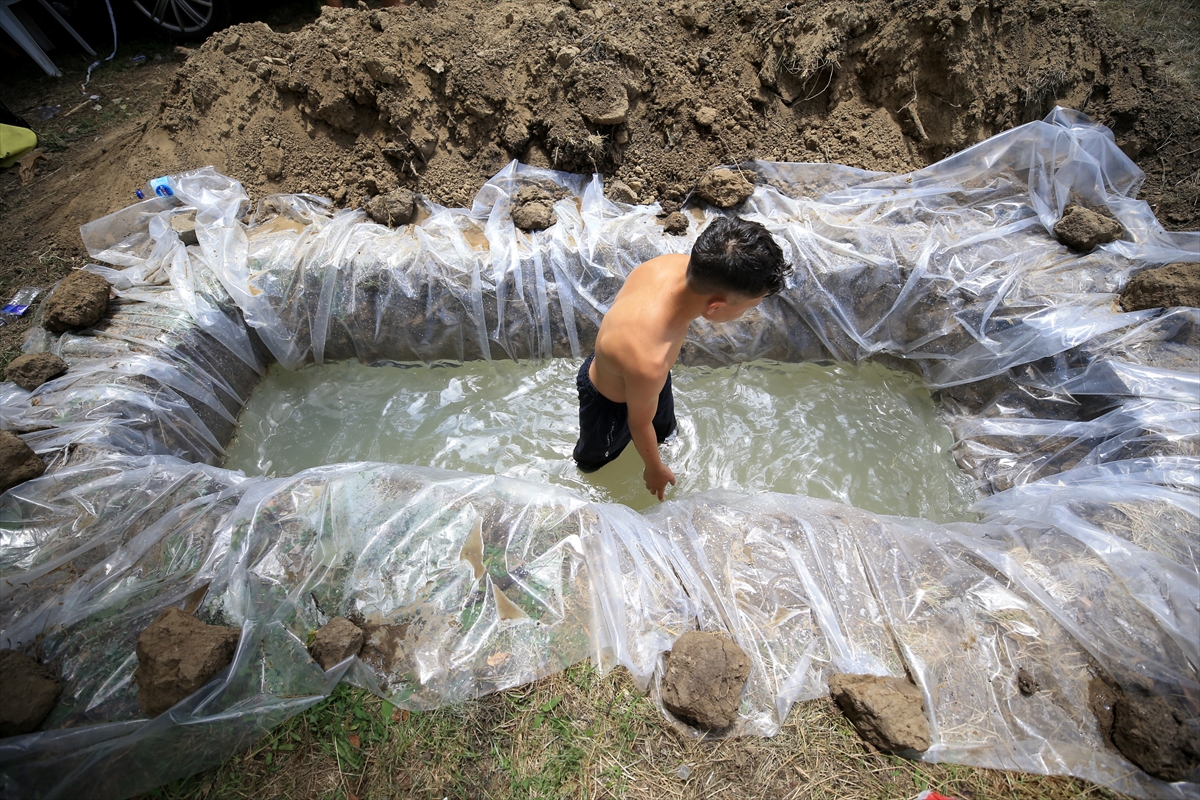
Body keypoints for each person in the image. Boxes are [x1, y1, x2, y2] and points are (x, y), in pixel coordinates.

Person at [573, 215, 791, 500]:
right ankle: (593, 470)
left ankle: (663, 441)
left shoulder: (669, 265)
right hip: (610, 400)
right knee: (596, 459)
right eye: (750, 308)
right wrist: (654, 469)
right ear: (715, 308)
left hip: (650, 378)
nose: (750, 313)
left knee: (663, 428)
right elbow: (638, 423)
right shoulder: (648, 357)